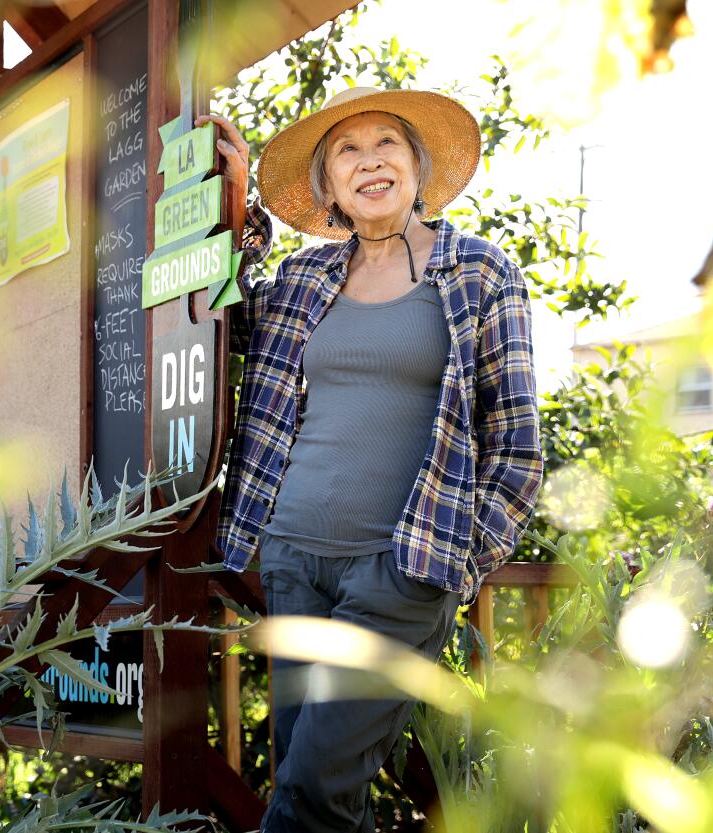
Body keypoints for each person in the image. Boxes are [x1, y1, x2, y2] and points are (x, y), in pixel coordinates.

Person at [202, 85, 545, 833]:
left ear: (418, 166)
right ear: (327, 188)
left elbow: (518, 447)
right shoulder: (301, 280)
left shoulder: (480, 274)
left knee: (313, 786)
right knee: (319, 784)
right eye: (346, 153)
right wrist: (223, 183)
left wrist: (451, 562)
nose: (369, 162)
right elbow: (213, 300)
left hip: (403, 569)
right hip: (293, 559)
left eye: (386, 143)